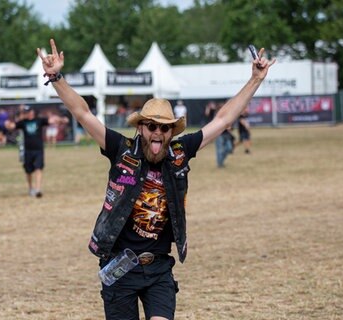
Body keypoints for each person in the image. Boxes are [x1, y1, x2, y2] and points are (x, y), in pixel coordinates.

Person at [37, 38, 275, 320]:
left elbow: (223, 120)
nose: (158, 133)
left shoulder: (179, 153)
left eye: (165, 128)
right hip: (119, 267)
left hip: (159, 269)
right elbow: (82, 112)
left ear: (171, 132)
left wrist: (255, 80)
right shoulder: (121, 150)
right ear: (141, 128)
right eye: (151, 126)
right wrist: (56, 78)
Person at [5, 105, 68, 198]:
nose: (27, 114)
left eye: (28, 112)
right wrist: (7, 124)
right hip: (27, 150)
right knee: (28, 171)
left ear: (32, 112)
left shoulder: (39, 120)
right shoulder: (22, 122)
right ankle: (31, 188)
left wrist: (62, 120)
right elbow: (12, 126)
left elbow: (51, 120)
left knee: (39, 168)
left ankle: (38, 189)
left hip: (38, 149)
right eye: (25, 112)